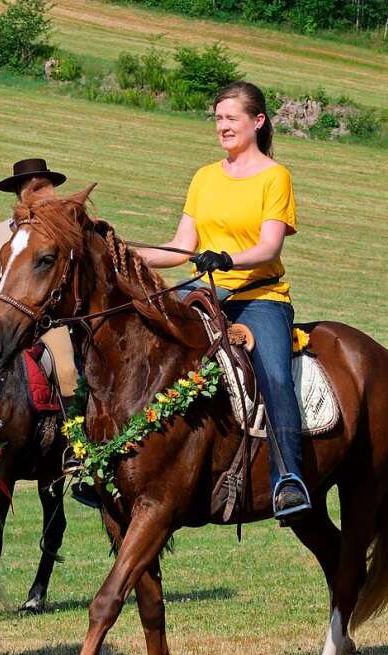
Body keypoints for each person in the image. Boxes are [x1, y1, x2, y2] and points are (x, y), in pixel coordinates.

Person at [133, 81, 311, 524]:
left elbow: (270, 248)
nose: (223, 126)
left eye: (232, 118)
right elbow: (180, 248)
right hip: (204, 294)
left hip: (258, 298)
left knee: (274, 375)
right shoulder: (205, 176)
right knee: (141, 339)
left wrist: (228, 257)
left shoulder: (275, 177)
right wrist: (125, 252)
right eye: (218, 118)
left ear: (258, 121)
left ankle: (288, 479)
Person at [0, 159, 95, 505]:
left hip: (46, 319)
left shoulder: (60, 229)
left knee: (68, 367)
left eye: (41, 185)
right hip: (6, 313)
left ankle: (76, 446)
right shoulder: (3, 229)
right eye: (27, 186)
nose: (34, 191)